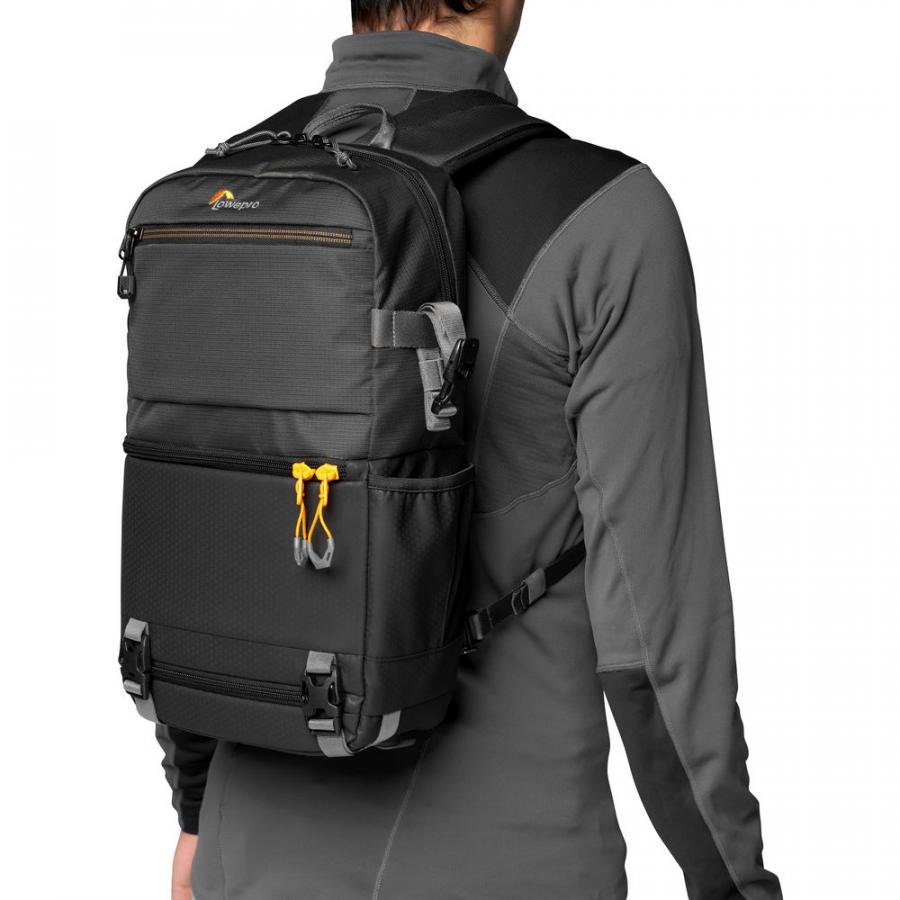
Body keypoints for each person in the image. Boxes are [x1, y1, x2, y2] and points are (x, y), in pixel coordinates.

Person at [161, 2, 783, 898]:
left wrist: (194, 811)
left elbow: (194, 540)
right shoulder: (603, 216)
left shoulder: (228, 188)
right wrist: (733, 883)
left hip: (243, 850)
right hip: (507, 861)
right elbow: (654, 647)